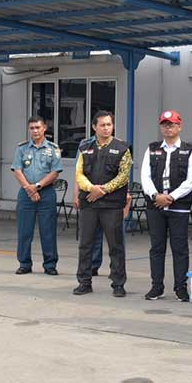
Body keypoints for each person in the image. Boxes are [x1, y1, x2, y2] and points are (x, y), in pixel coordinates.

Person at [142, 110, 192, 301]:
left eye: (172, 124)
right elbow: (145, 176)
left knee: (180, 248)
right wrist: (155, 195)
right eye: (165, 124)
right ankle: (156, 287)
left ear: (179, 126)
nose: (168, 128)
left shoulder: (189, 150)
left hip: (179, 207)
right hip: (156, 206)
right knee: (156, 248)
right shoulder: (152, 148)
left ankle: (180, 288)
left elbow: (191, 180)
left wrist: (171, 197)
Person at [73, 111, 131, 297]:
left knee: (115, 245)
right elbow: (79, 173)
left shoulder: (122, 147)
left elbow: (123, 176)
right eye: (102, 125)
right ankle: (84, 282)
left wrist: (103, 190)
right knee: (86, 244)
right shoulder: (84, 146)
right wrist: (91, 189)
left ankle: (118, 284)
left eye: (109, 124)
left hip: (112, 204)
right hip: (89, 203)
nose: (106, 128)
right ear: (94, 127)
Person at [11, 117, 63, 275]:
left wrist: (38, 186)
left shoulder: (53, 149)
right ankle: (24, 264)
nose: (35, 131)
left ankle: (50, 265)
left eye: (38, 127)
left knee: (48, 231)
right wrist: (29, 189)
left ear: (44, 128)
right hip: (25, 193)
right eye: (32, 128)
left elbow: (55, 172)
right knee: (24, 231)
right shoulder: (22, 148)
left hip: (46, 193)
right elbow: (17, 170)